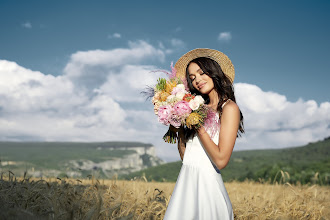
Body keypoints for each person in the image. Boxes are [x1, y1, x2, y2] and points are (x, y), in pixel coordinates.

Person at [163, 48, 244, 220]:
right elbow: (186, 157)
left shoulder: (229, 108)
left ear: (213, 72)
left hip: (208, 190)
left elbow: (221, 161)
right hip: (185, 187)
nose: (197, 80)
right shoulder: (197, 108)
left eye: (201, 73)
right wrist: (177, 123)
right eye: (192, 78)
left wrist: (199, 126)